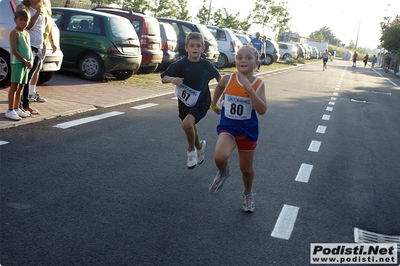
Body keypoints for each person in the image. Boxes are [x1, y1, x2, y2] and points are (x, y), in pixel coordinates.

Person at [208, 45, 267, 213]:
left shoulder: (258, 84)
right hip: (229, 128)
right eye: (240, 57)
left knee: (246, 170)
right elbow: (219, 86)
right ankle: (223, 173)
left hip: (247, 132)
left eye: (249, 58)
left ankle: (248, 194)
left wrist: (250, 90)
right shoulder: (228, 79)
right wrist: (213, 105)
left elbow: (262, 110)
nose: (243, 60)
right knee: (220, 157)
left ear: (256, 63)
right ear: (235, 61)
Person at [161, 32, 221, 169]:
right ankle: (200, 147)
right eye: (192, 45)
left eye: (198, 46)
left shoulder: (207, 66)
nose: (195, 48)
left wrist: (224, 94)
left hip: (202, 102)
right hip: (185, 103)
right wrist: (172, 79)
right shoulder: (180, 64)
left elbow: (220, 79)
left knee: (187, 125)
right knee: (191, 126)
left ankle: (191, 151)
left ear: (203, 49)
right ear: (186, 48)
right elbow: (164, 77)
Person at [5, 9, 33, 121]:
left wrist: (30, 60)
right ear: (15, 20)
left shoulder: (26, 33)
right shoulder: (14, 33)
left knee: (21, 86)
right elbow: (15, 51)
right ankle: (10, 110)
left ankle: (17, 108)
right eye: (21, 19)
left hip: (25, 64)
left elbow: (29, 48)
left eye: (26, 20)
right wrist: (25, 61)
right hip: (17, 63)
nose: (23, 22)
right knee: (14, 86)